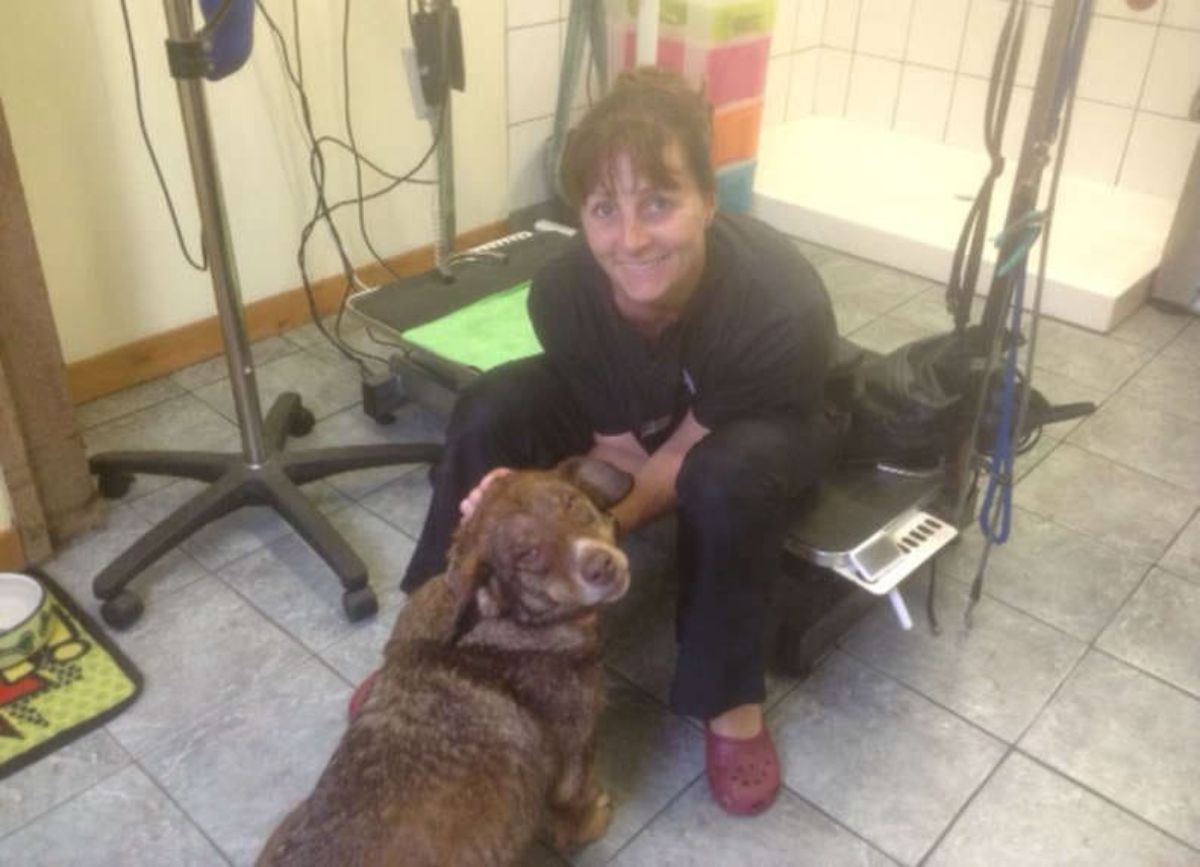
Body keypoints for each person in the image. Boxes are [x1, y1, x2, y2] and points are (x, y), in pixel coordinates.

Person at [391, 66, 838, 817]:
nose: (629, 239)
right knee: (489, 405)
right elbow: (619, 448)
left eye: (658, 203)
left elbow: (670, 462)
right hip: (641, 426)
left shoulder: (778, 304)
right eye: (604, 209)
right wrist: (500, 516)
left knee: (720, 480)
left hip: (761, 423)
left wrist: (556, 540)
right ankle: (431, 634)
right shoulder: (562, 293)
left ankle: (729, 702)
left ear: (707, 198)